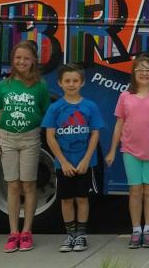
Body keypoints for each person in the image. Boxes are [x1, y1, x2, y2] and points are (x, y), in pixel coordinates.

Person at [105, 54, 149, 249]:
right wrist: (111, 151)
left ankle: (148, 229)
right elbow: (119, 124)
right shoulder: (125, 96)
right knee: (134, 191)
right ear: (133, 73)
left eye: (148, 70)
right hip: (130, 151)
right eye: (140, 69)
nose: (144, 73)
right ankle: (136, 230)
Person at [0, 40, 50, 253]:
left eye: (26, 58)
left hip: (30, 139)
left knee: (29, 184)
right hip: (7, 138)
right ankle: (13, 232)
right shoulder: (3, 85)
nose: (22, 61)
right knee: (12, 185)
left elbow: (45, 112)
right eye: (18, 58)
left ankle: (27, 231)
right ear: (13, 60)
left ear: (34, 60)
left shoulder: (40, 86)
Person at [42, 64, 105, 253]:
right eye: (67, 81)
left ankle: (81, 236)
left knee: (82, 199)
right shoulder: (55, 108)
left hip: (85, 164)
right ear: (60, 83)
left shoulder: (90, 106)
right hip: (64, 165)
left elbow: (95, 134)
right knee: (66, 200)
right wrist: (62, 161)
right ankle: (70, 235)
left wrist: (86, 159)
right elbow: (50, 136)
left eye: (75, 81)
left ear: (82, 83)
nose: (71, 84)